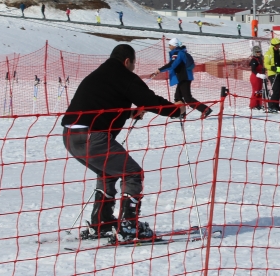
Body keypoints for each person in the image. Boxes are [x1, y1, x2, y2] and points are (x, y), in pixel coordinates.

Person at [62, 44, 183, 243]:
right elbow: (149, 100)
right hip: (93, 137)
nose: (133, 68)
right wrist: (176, 111)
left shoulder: (100, 74)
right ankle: (129, 227)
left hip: (69, 136)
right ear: (127, 61)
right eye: (133, 64)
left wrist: (129, 113)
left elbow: (100, 103)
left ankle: (102, 223)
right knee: (132, 173)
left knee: (108, 171)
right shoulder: (124, 76)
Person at [152, 38, 213, 118]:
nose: (169, 47)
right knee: (178, 97)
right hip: (183, 77)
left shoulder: (177, 53)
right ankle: (180, 113)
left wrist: (159, 70)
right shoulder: (180, 52)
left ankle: (205, 109)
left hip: (184, 77)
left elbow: (172, 64)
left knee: (188, 98)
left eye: (170, 45)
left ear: (174, 45)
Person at [248, 45, 267, 110]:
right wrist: (259, 75)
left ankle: (258, 104)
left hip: (260, 77)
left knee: (259, 91)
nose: (259, 53)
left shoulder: (260, 59)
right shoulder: (254, 60)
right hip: (255, 77)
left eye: (259, 52)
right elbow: (253, 70)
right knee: (256, 91)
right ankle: (253, 105)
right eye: (257, 52)